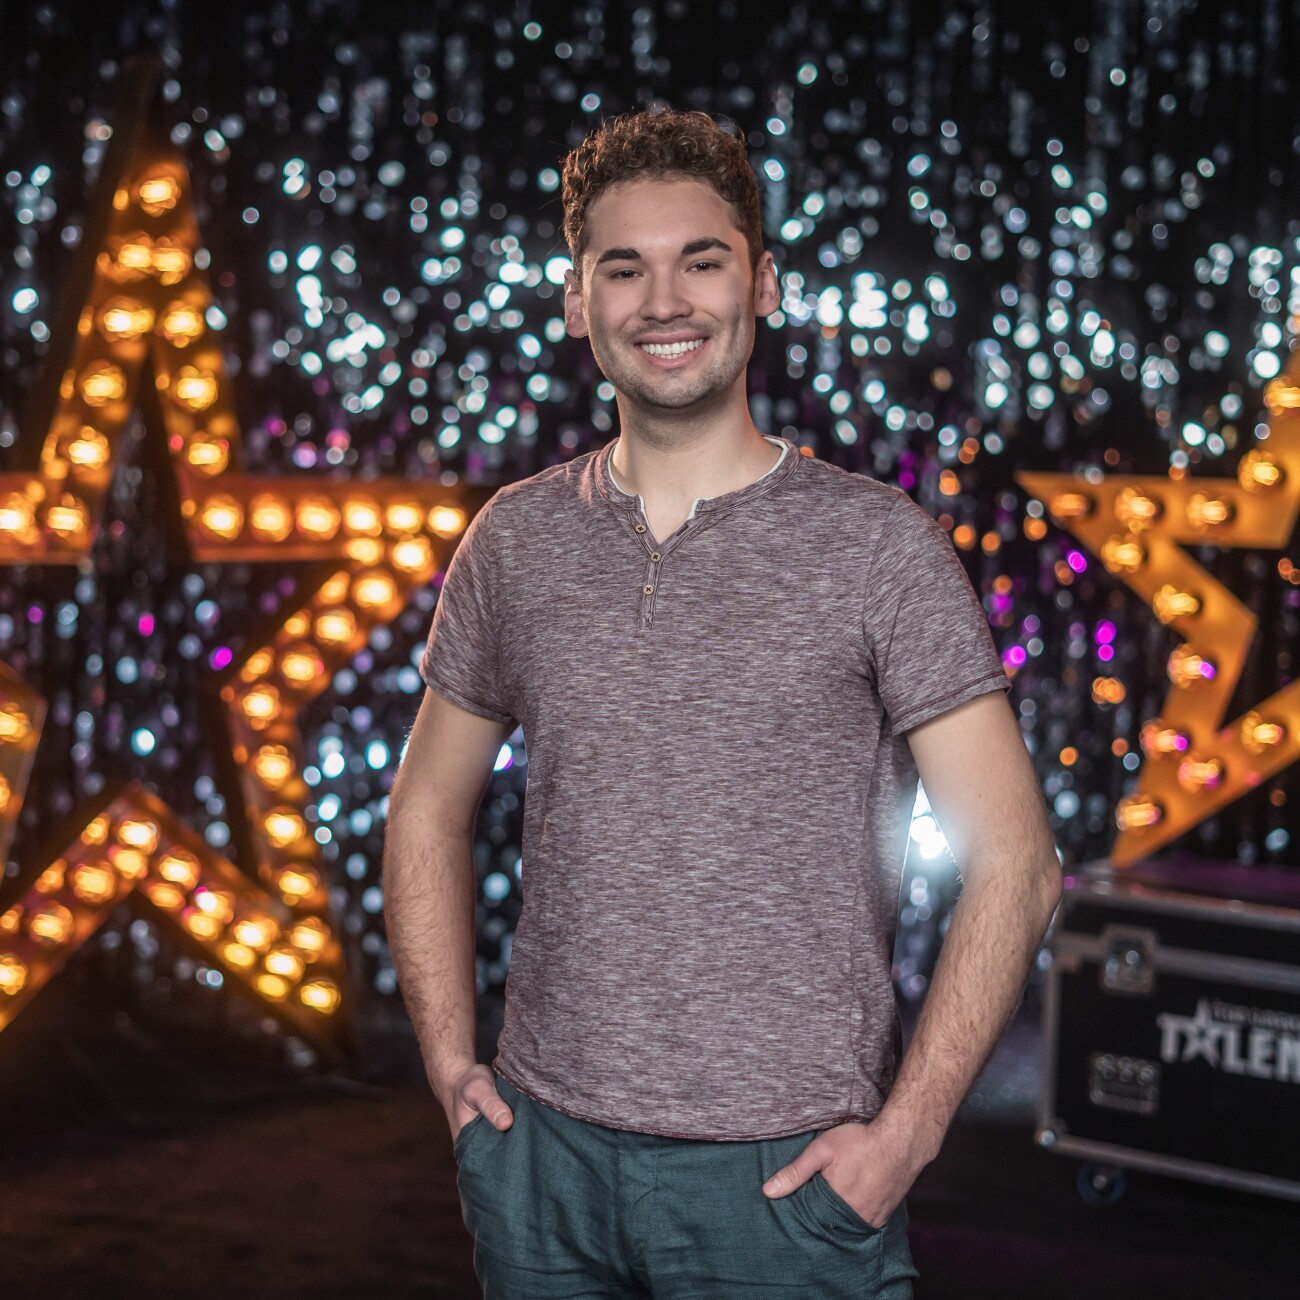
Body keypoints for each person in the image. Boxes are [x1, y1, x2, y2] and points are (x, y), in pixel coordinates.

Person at [383, 107, 1062, 1298]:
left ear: (763, 284)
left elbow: (1018, 864)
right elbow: (425, 808)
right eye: (622, 268)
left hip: (785, 1181)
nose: (664, 301)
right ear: (576, 300)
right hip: (541, 1162)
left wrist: (904, 1138)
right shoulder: (516, 540)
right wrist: (450, 1067)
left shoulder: (878, 548)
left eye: (700, 261)